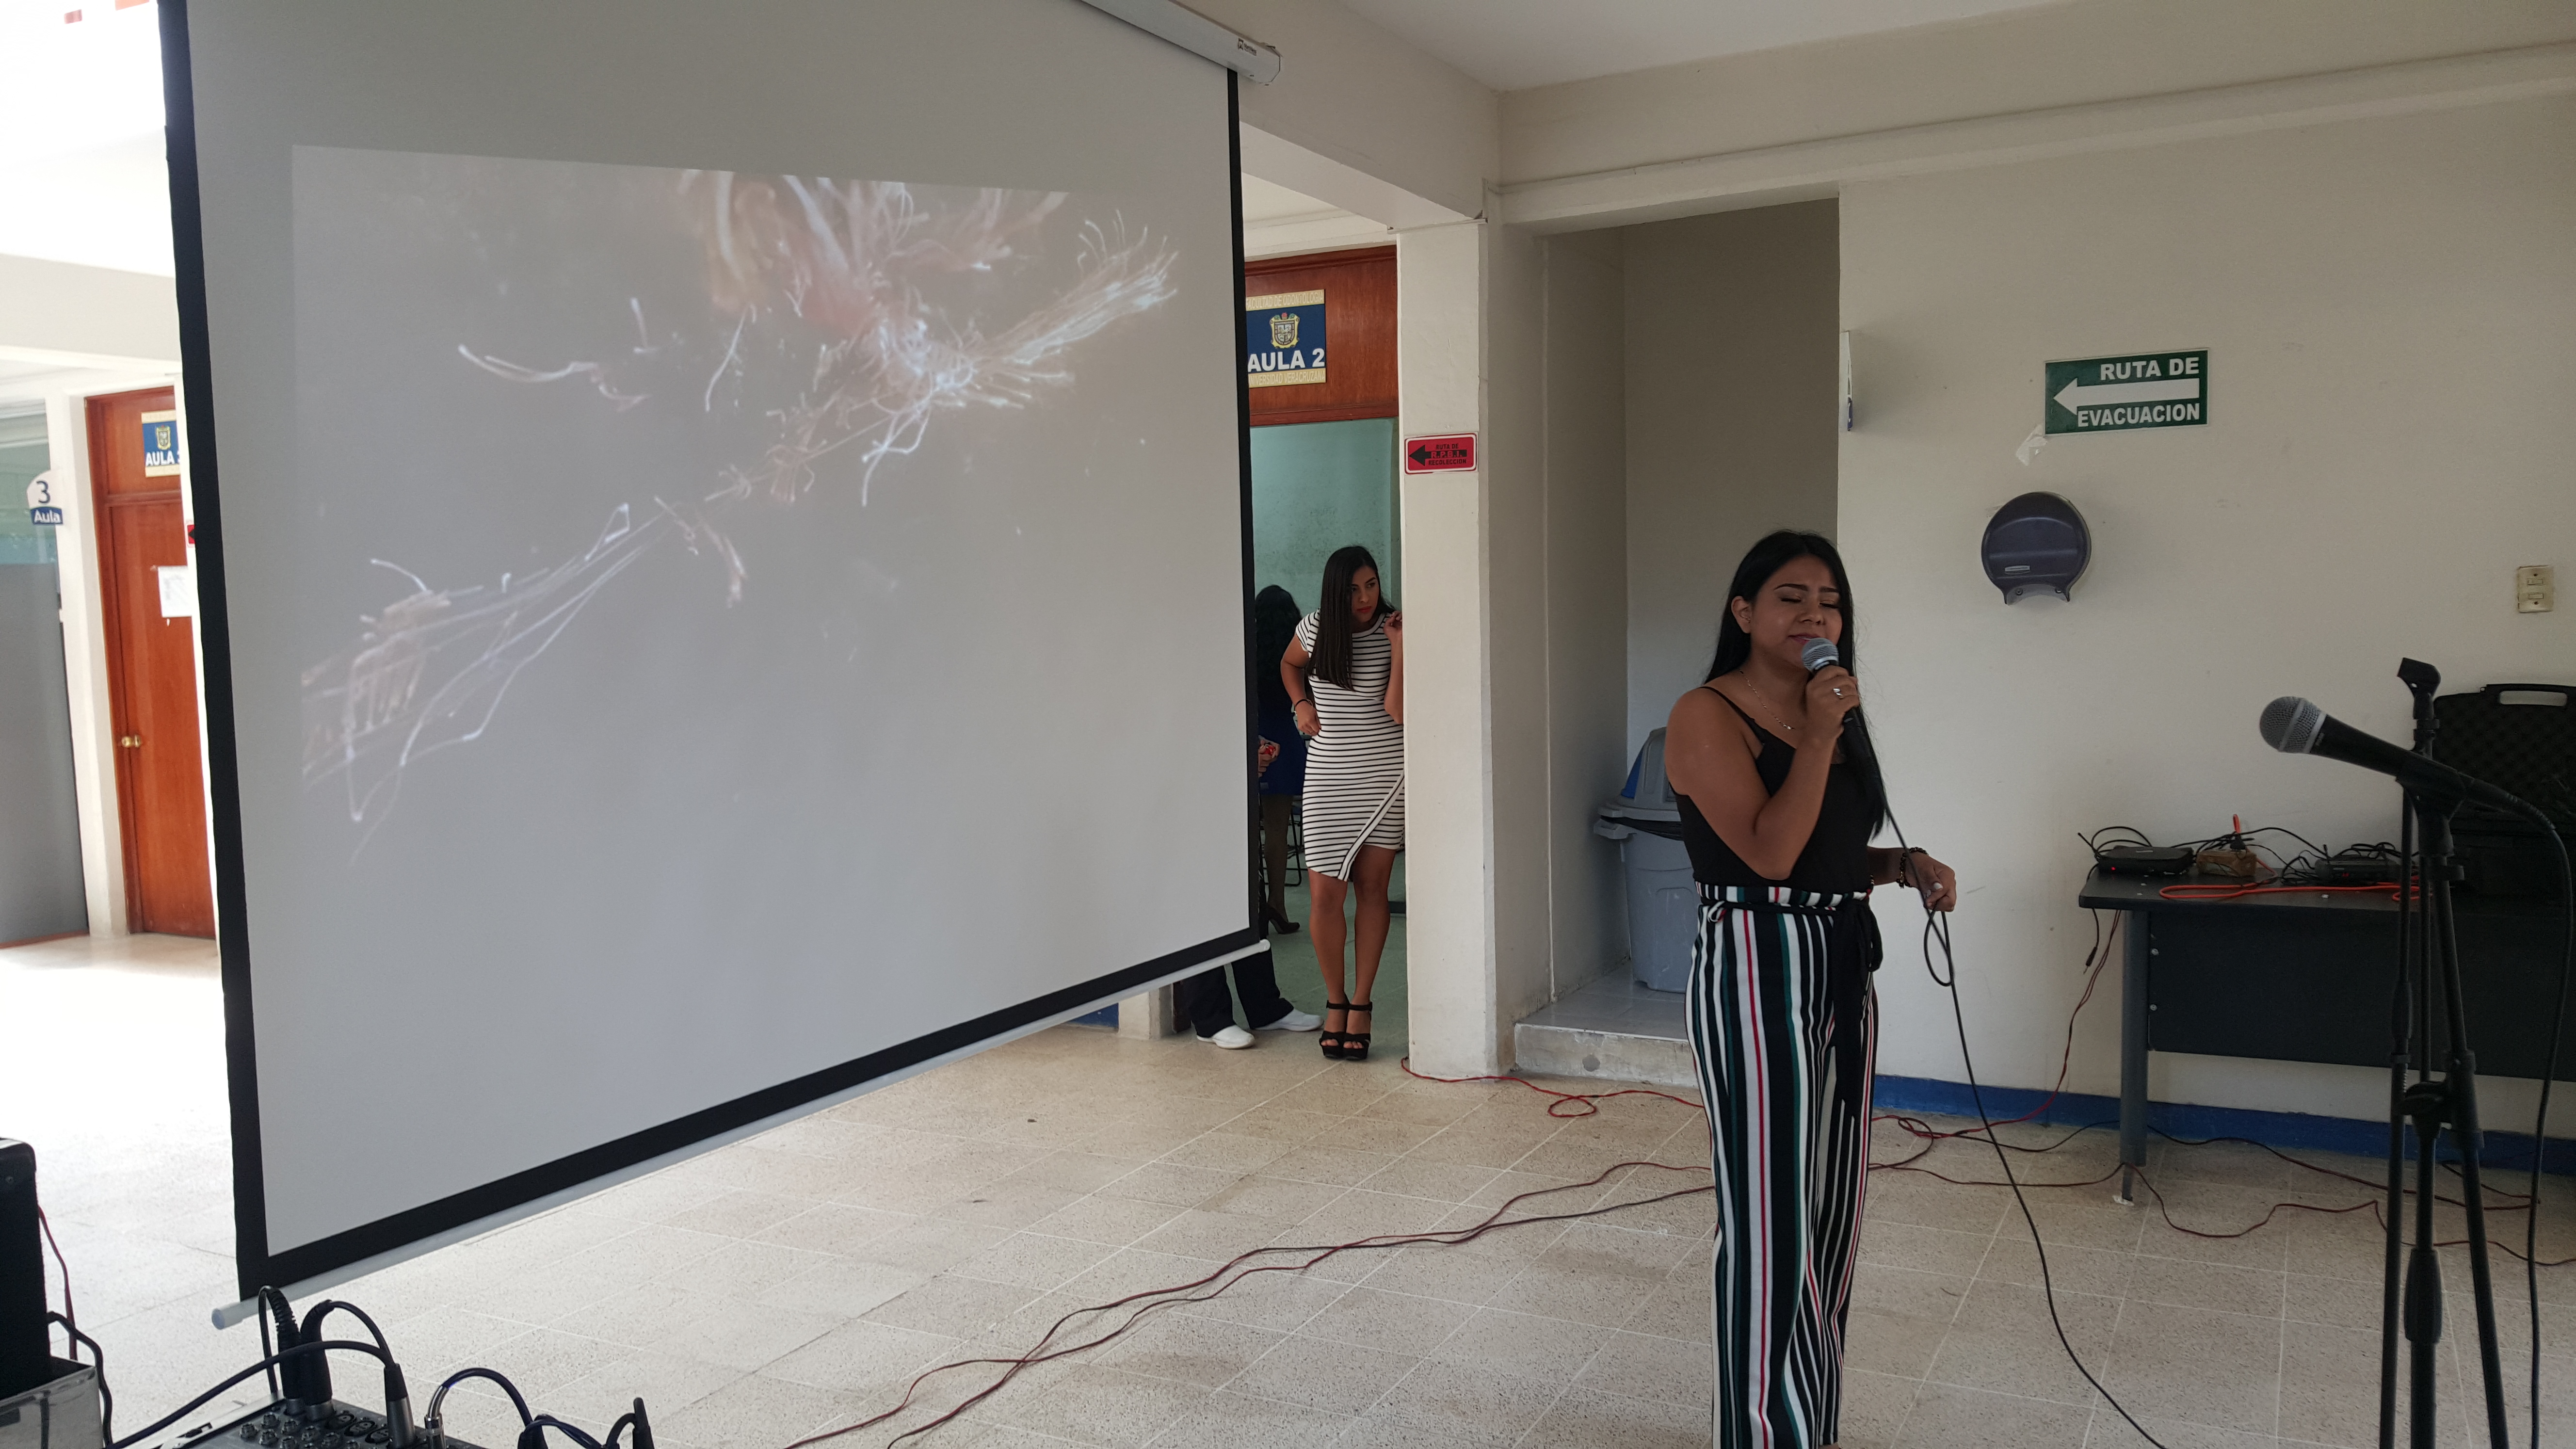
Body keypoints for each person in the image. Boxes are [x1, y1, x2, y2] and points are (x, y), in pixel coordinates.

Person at [1661, 530, 1958, 1449]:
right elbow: (1766, 852)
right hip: (1756, 961)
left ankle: (1807, 1426)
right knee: (1770, 1225)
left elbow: (1823, 852)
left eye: (1829, 600)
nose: (1815, 614)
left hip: (1837, 958)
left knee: (1831, 1216)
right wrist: (1823, 734)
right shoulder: (1706, 713)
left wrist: (1899, 863)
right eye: (1791, 597)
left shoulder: (1828, 712)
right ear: (1744, 612)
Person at [1279, 545, 1404, 1061]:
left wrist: (1400, 647)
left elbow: (1398, 712)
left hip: (1383, 774)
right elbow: (1289, 663)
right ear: (1336, 591)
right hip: (1328, 775)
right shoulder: (1314, 628)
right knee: (1325, 897)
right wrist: (1300, 703)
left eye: (1371, 585)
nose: (1365, 597)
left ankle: (1361, 1003)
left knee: (1373, 891)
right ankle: (1335, 1000)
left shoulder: (1395, 628)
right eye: (1353, 589)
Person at [1253, 585, 1307, 936]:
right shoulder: (1294, 650)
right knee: (1277, 830)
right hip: (1283, 740)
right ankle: (1278, 904)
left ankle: (1251, 907)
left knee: (1246, 829)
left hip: (1250, 736)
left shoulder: (1247, 648)